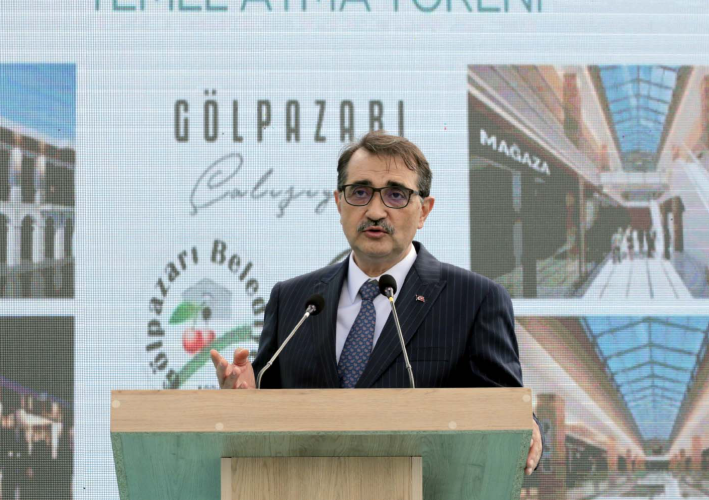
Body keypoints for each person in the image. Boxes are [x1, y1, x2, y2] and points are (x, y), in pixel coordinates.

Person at [210, 131, 543, 476]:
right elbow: (266, 412)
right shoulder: (293, 300)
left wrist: (525, 426)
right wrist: (246, 397)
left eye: (396, 195)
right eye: (360, 192)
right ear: (339, 203)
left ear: (424, 211)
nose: (374, 211)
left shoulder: (475, 300)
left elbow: (502, 408)